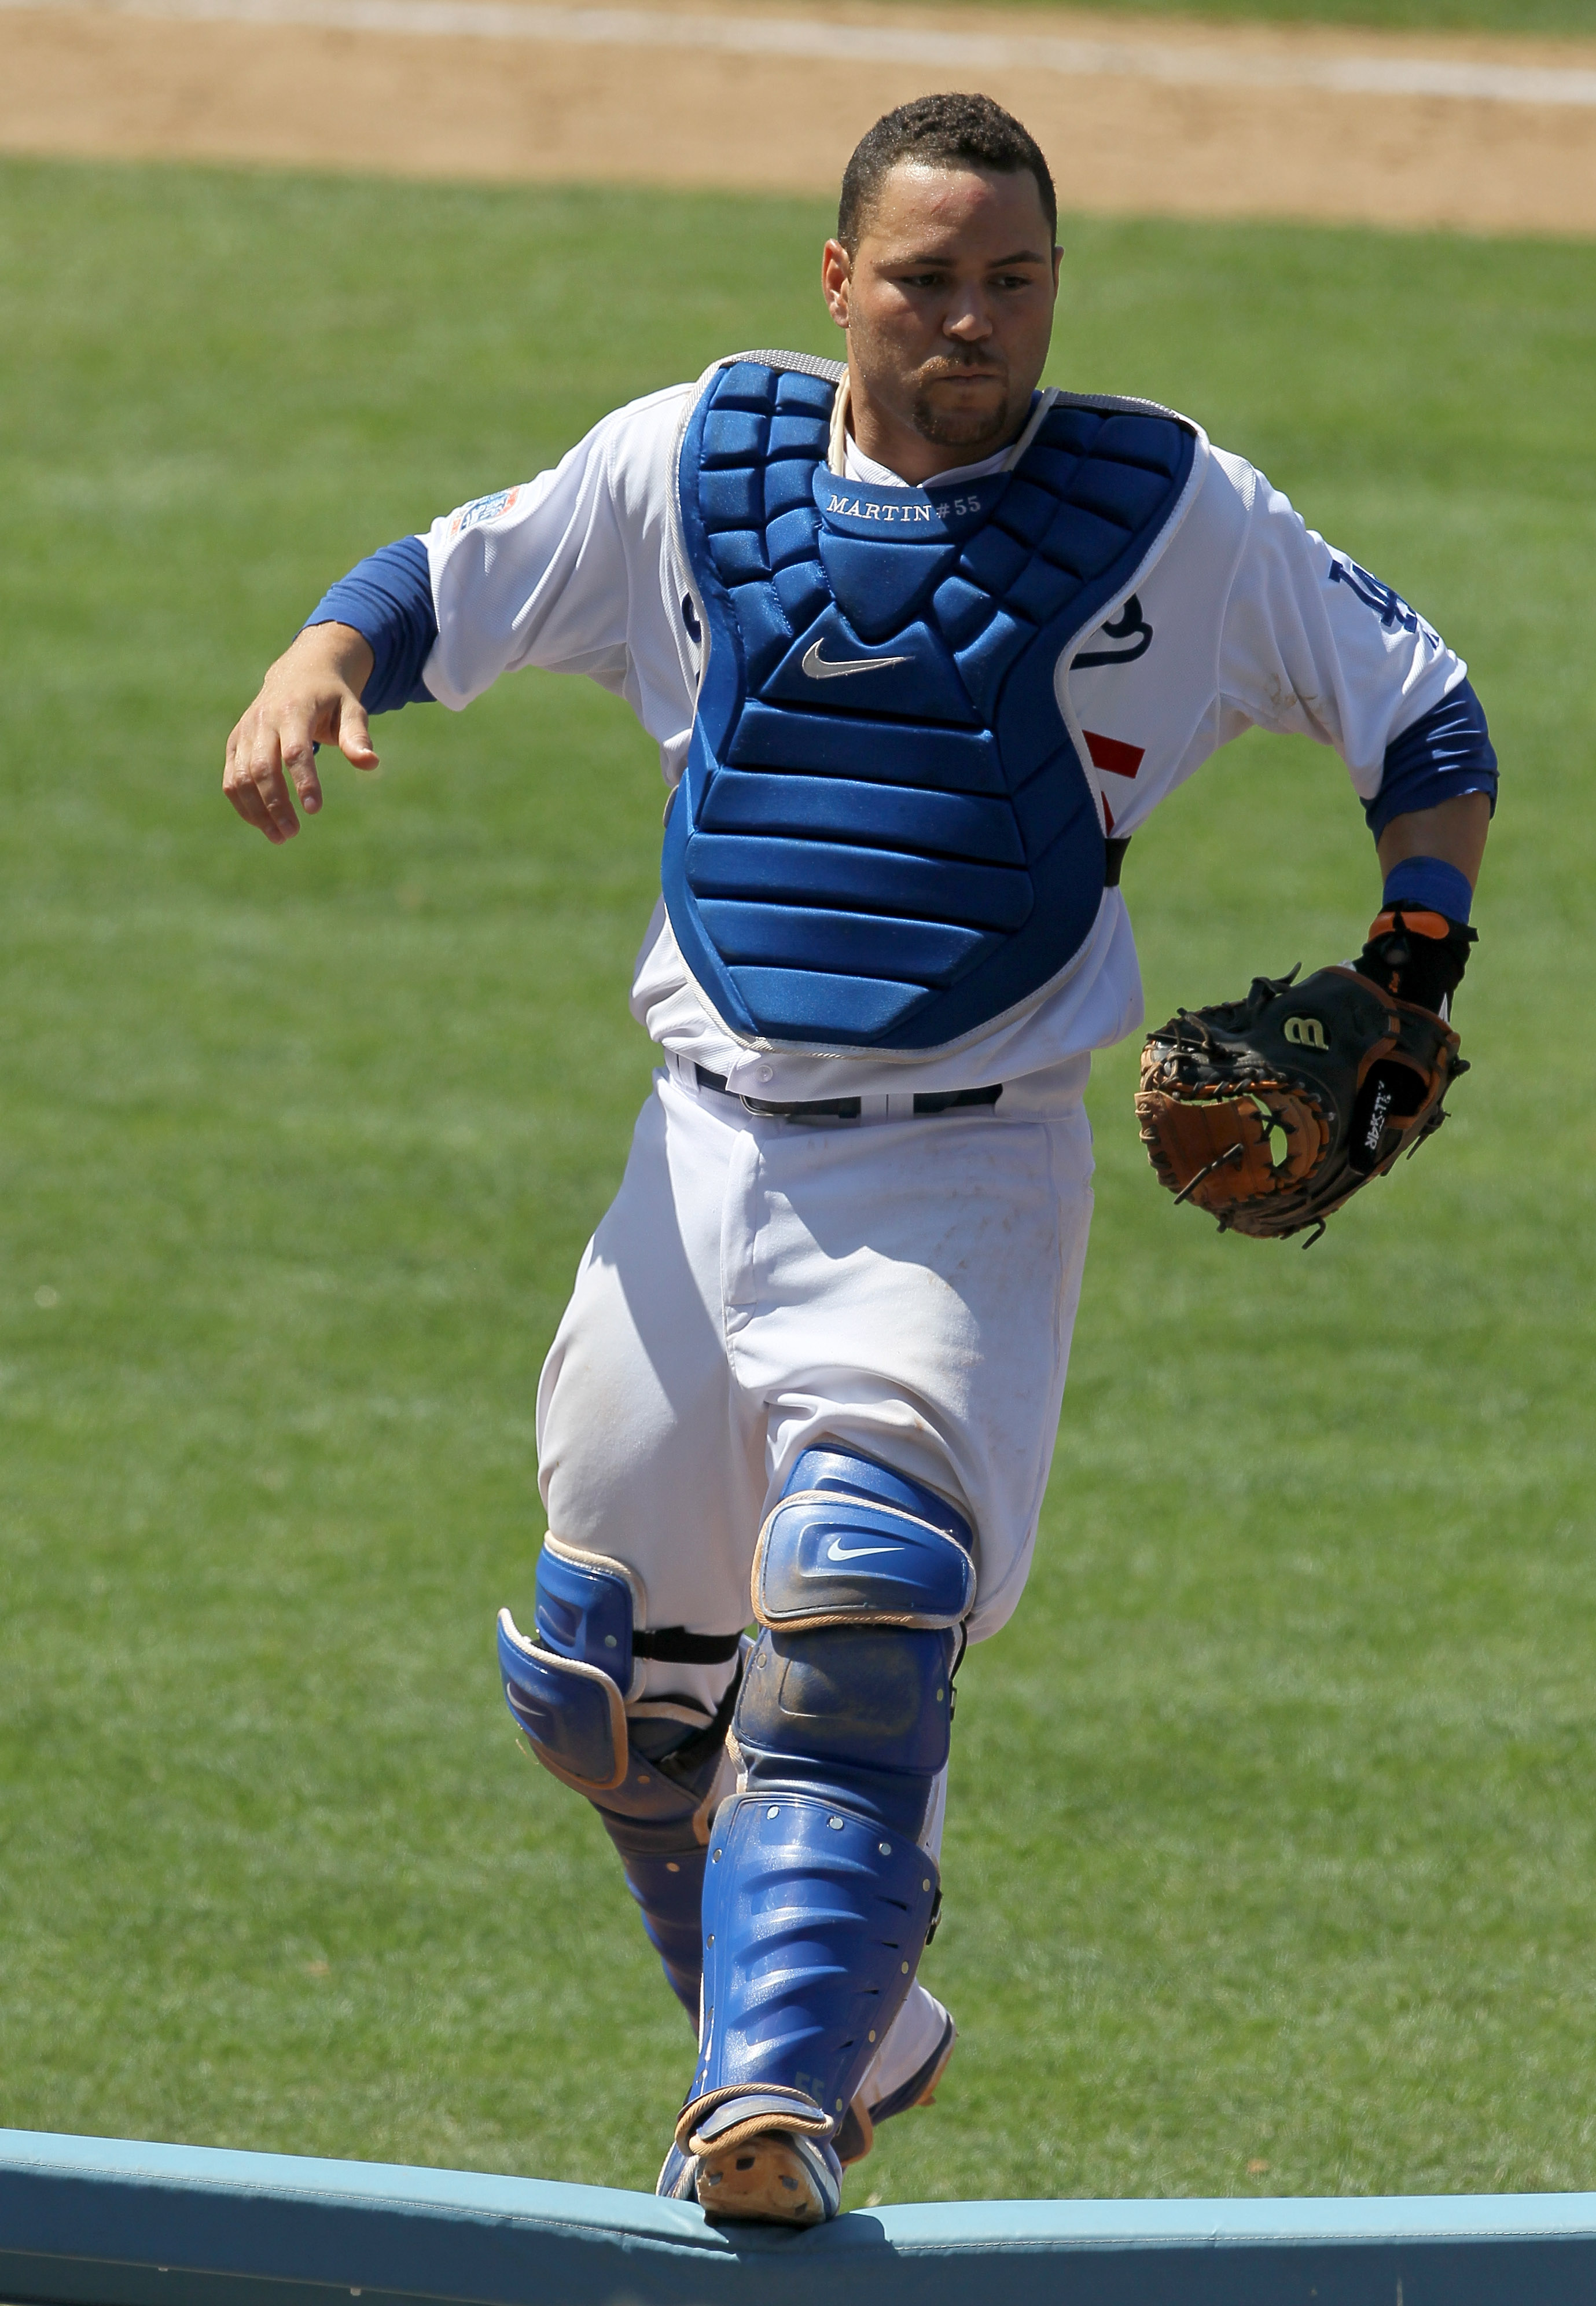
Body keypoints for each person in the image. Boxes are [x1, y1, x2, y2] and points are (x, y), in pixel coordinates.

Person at [223, 93, 1495, 2226]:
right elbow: (450, 579)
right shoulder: (698, 462)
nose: (973, 321)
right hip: (695, 1158)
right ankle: (854, 2020)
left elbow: (1427, 720)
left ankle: (775, 2102)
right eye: (926, 280)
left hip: (962, 1179)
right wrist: (322, 658)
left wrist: (1414, 968)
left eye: (1014, 281)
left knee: (860, 1611)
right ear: (839, 283)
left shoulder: (1167, 512)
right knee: (602, 1696)